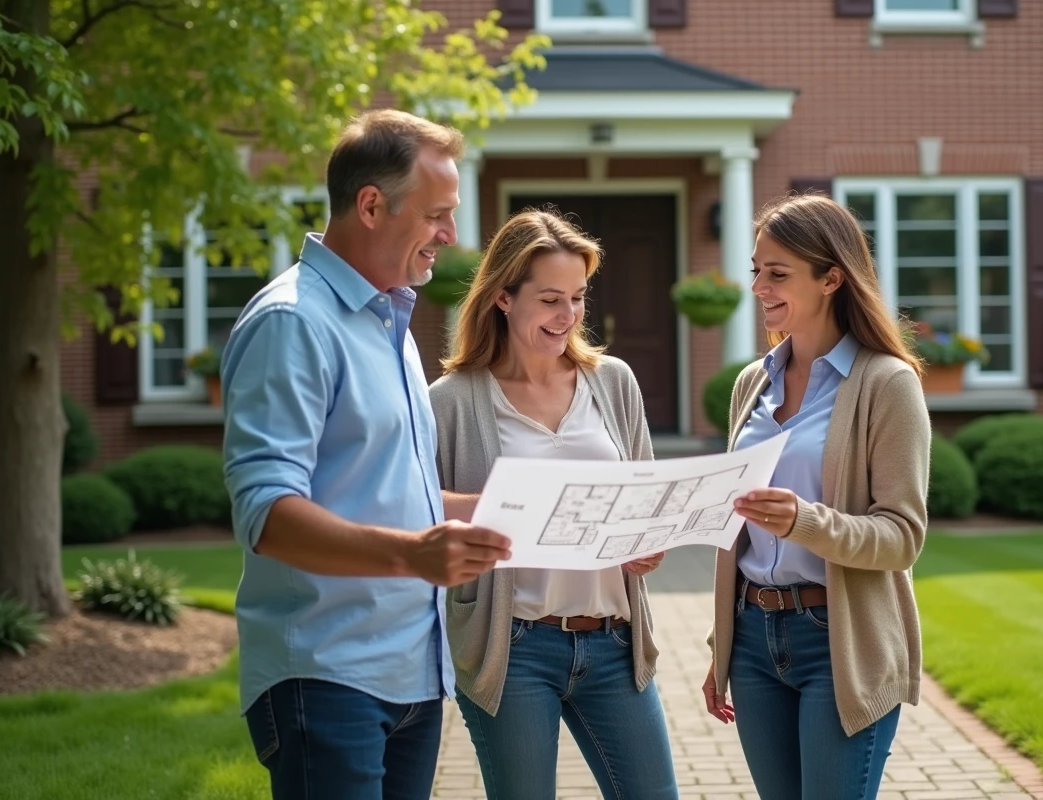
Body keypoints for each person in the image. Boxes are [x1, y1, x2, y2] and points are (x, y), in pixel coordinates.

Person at [221, 109, 512, 800]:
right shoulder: (292, 322)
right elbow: (266, 514)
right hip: (325, 675)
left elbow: (397, 494)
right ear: (372, 205)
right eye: (438, 215)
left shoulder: (391, 324)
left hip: (410, 673)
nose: (450, 235)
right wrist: (412, 555)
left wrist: (552, 513)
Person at [429, 208, 680, 800]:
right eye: (549, 299)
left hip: (615, 643)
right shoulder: (453, 400)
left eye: (578, 297)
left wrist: (648, 543)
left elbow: (645, 502)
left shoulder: (613, 381)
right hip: (513, 647)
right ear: (503, 298)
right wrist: (506, 502)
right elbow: (415, 502)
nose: (567, 316)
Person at [700, 193, 931, 800]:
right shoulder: (753, 382)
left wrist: (805, 520)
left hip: (839, 641)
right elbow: (738, 529)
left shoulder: (887, 383)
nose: (759, 287)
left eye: (777, 274)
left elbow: (902, 537)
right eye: (756, 270)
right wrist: (721, 643)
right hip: (752, 640)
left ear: (832, 278)